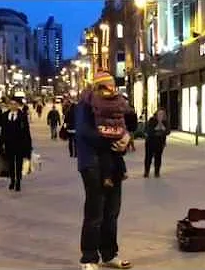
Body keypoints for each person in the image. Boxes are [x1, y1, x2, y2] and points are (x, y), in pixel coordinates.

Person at [76, 88, 132, 270]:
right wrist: (113, 139)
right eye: (104, 86)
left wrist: (124, 140)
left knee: (112, 211)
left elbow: (124, 128)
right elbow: (85, 133)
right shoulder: (86, 104)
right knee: (95, 212)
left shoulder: (115, 105)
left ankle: (109, 254)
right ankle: (89, 257)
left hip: (113, 163)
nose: (108, 90)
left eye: (111, 85)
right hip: (92, 163)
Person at [84, 71, 129, 188]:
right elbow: (126, 110)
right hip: (118, 131)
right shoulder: (118, 98)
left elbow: (88, 99)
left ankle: (107, 177)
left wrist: (88, 92)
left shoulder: (96, 99)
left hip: (103, 132)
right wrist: (126, 135)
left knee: (106, 153)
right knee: (117, 152)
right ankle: (123, 171)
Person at [0, 97, 32, 192]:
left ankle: (18, 182)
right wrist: (1, 144)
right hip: (8, 144)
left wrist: (28, 146)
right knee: (10, 164)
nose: (13, 106)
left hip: (19, 144)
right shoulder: (5, 115)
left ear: (18, 105)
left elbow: (26, 132)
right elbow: (3, 131)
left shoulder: (22, 116)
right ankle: (12, 180)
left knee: (18, 164)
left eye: (15, 104)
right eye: (11, 104)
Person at [144, 108, 170, 178]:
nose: (161, 115)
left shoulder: (165, 122)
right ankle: (146, 172)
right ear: (156, 114)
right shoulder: (152, 120)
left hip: (160, 142)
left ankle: (157, 172)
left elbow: (167, 132)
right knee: (148, 157)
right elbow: (149, 131)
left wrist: (162, 127)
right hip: (150, 142)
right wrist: (157, 128)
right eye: (159, 114)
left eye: (162, 114)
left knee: (158, 157)